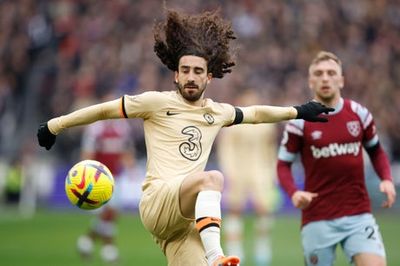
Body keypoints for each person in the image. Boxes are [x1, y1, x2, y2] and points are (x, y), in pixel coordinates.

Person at [37, 9, 333, 266]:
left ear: (209, 78)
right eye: (185, 71)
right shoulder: (155, 102)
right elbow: (104, 111)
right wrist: (55, 125)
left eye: (197, 72)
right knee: (212, 178)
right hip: (157, 201)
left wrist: (297, 111)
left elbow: (255, 114)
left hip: (185, 221)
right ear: (175, 76)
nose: (191, 77)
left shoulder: (217, 112)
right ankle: (217, 255)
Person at [277, 51, 397, 266]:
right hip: (317, 216)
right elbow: (283, 165)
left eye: (331, 73)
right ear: (310, 81)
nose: (325, 78)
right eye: (319, 73)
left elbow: (376, 151)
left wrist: (386, 179)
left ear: (341, 80)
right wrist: (294, 193)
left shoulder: (359, 114)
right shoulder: (299, 122)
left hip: (358, 214)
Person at [217, 89, 279, 266]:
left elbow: (270, 148)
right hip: (238, 169)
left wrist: (273, 170)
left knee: (264, 209)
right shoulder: (233, 121)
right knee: (235, 209)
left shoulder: (267, 122)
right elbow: (226, 148)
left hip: (261, 170)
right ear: (241, 99)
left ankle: (263, 251)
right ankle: (235, 251)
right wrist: (229, 170)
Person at [75, 92, 136, 264]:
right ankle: (109, 250)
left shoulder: (122, 128)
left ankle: (86, 242)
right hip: (98, 179)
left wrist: (130, 167)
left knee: (111, 214)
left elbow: (126, 151)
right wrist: (87, 175)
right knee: (108, 213)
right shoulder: (95, 128)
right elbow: (87, 154)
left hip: (115, 176)